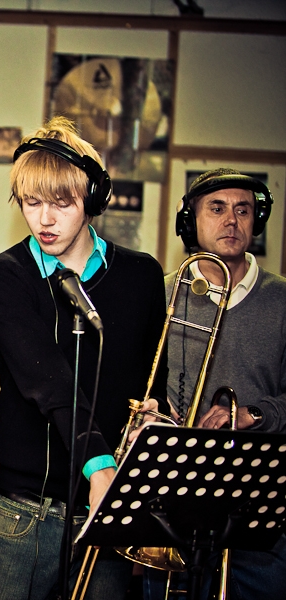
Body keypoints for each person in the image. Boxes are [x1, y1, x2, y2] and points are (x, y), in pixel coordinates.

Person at [0, 116, 168, 600]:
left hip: (109, 504)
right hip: (27, 510)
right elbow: (48, 382)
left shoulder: (140, 276)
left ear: (93, 200)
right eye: (32, 203)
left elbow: (155, 375)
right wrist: (100, 466)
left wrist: (156, 413)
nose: (45, 220)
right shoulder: (6, 278)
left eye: (62, 203)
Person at [142, 168, 286, 600]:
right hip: (173, 491)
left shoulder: (282, 299)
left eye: (243, 210)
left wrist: (253, 414)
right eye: (217, 208)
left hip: (256, 496)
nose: (231, 221)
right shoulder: (161, 295)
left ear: (256, 222)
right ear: (190, 221)